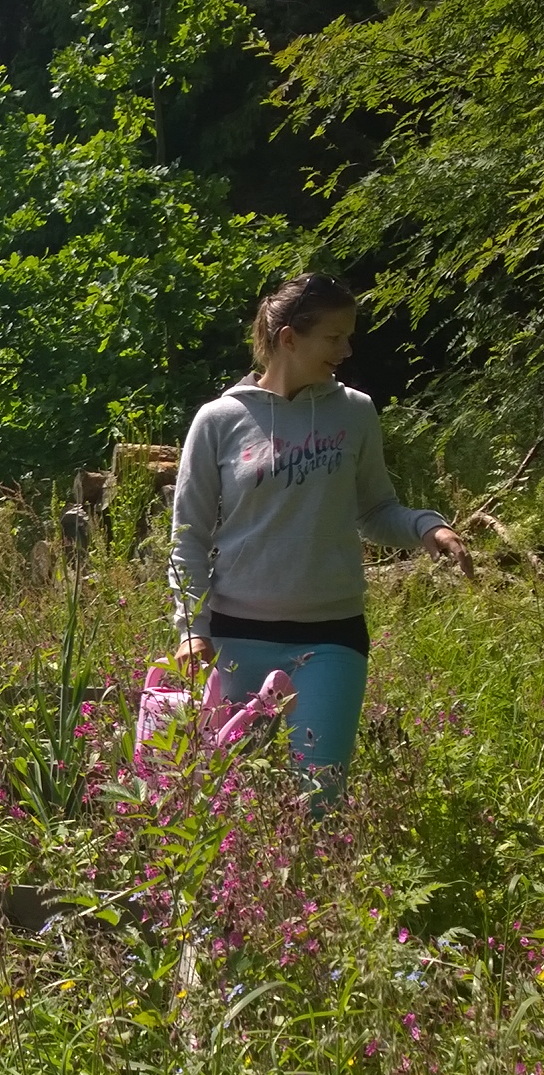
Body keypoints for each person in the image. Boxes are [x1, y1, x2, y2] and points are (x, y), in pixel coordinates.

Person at [166, 274, 469, 803]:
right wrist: (193, 629)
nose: (346, 350)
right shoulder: (218, 421)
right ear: (288, 338)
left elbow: (375, 509)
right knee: (230, 803)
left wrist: (428, 527)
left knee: (318, 801)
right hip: (236, 641)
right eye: (333, 337)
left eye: (348, 336)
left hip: (331, 638)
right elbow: (187, 539)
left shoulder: (354, 412)